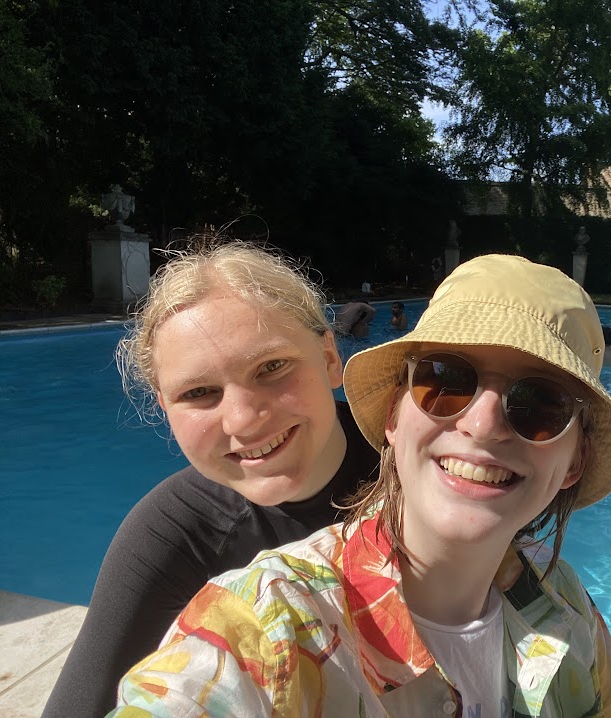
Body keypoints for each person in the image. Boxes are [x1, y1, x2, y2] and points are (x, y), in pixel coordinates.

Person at [112, 254, 611, 717]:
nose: (482, 425)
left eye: (540, 405)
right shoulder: (266, 630)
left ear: (575, 462)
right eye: (445, 379)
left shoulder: (566, 610)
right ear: (394, 414)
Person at [43, 241, 380, 718]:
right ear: (164, 406)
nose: (243, 421)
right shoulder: (172, 534)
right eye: (199, 392)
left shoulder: (419, 462)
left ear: (329, 358)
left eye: (272, 367)